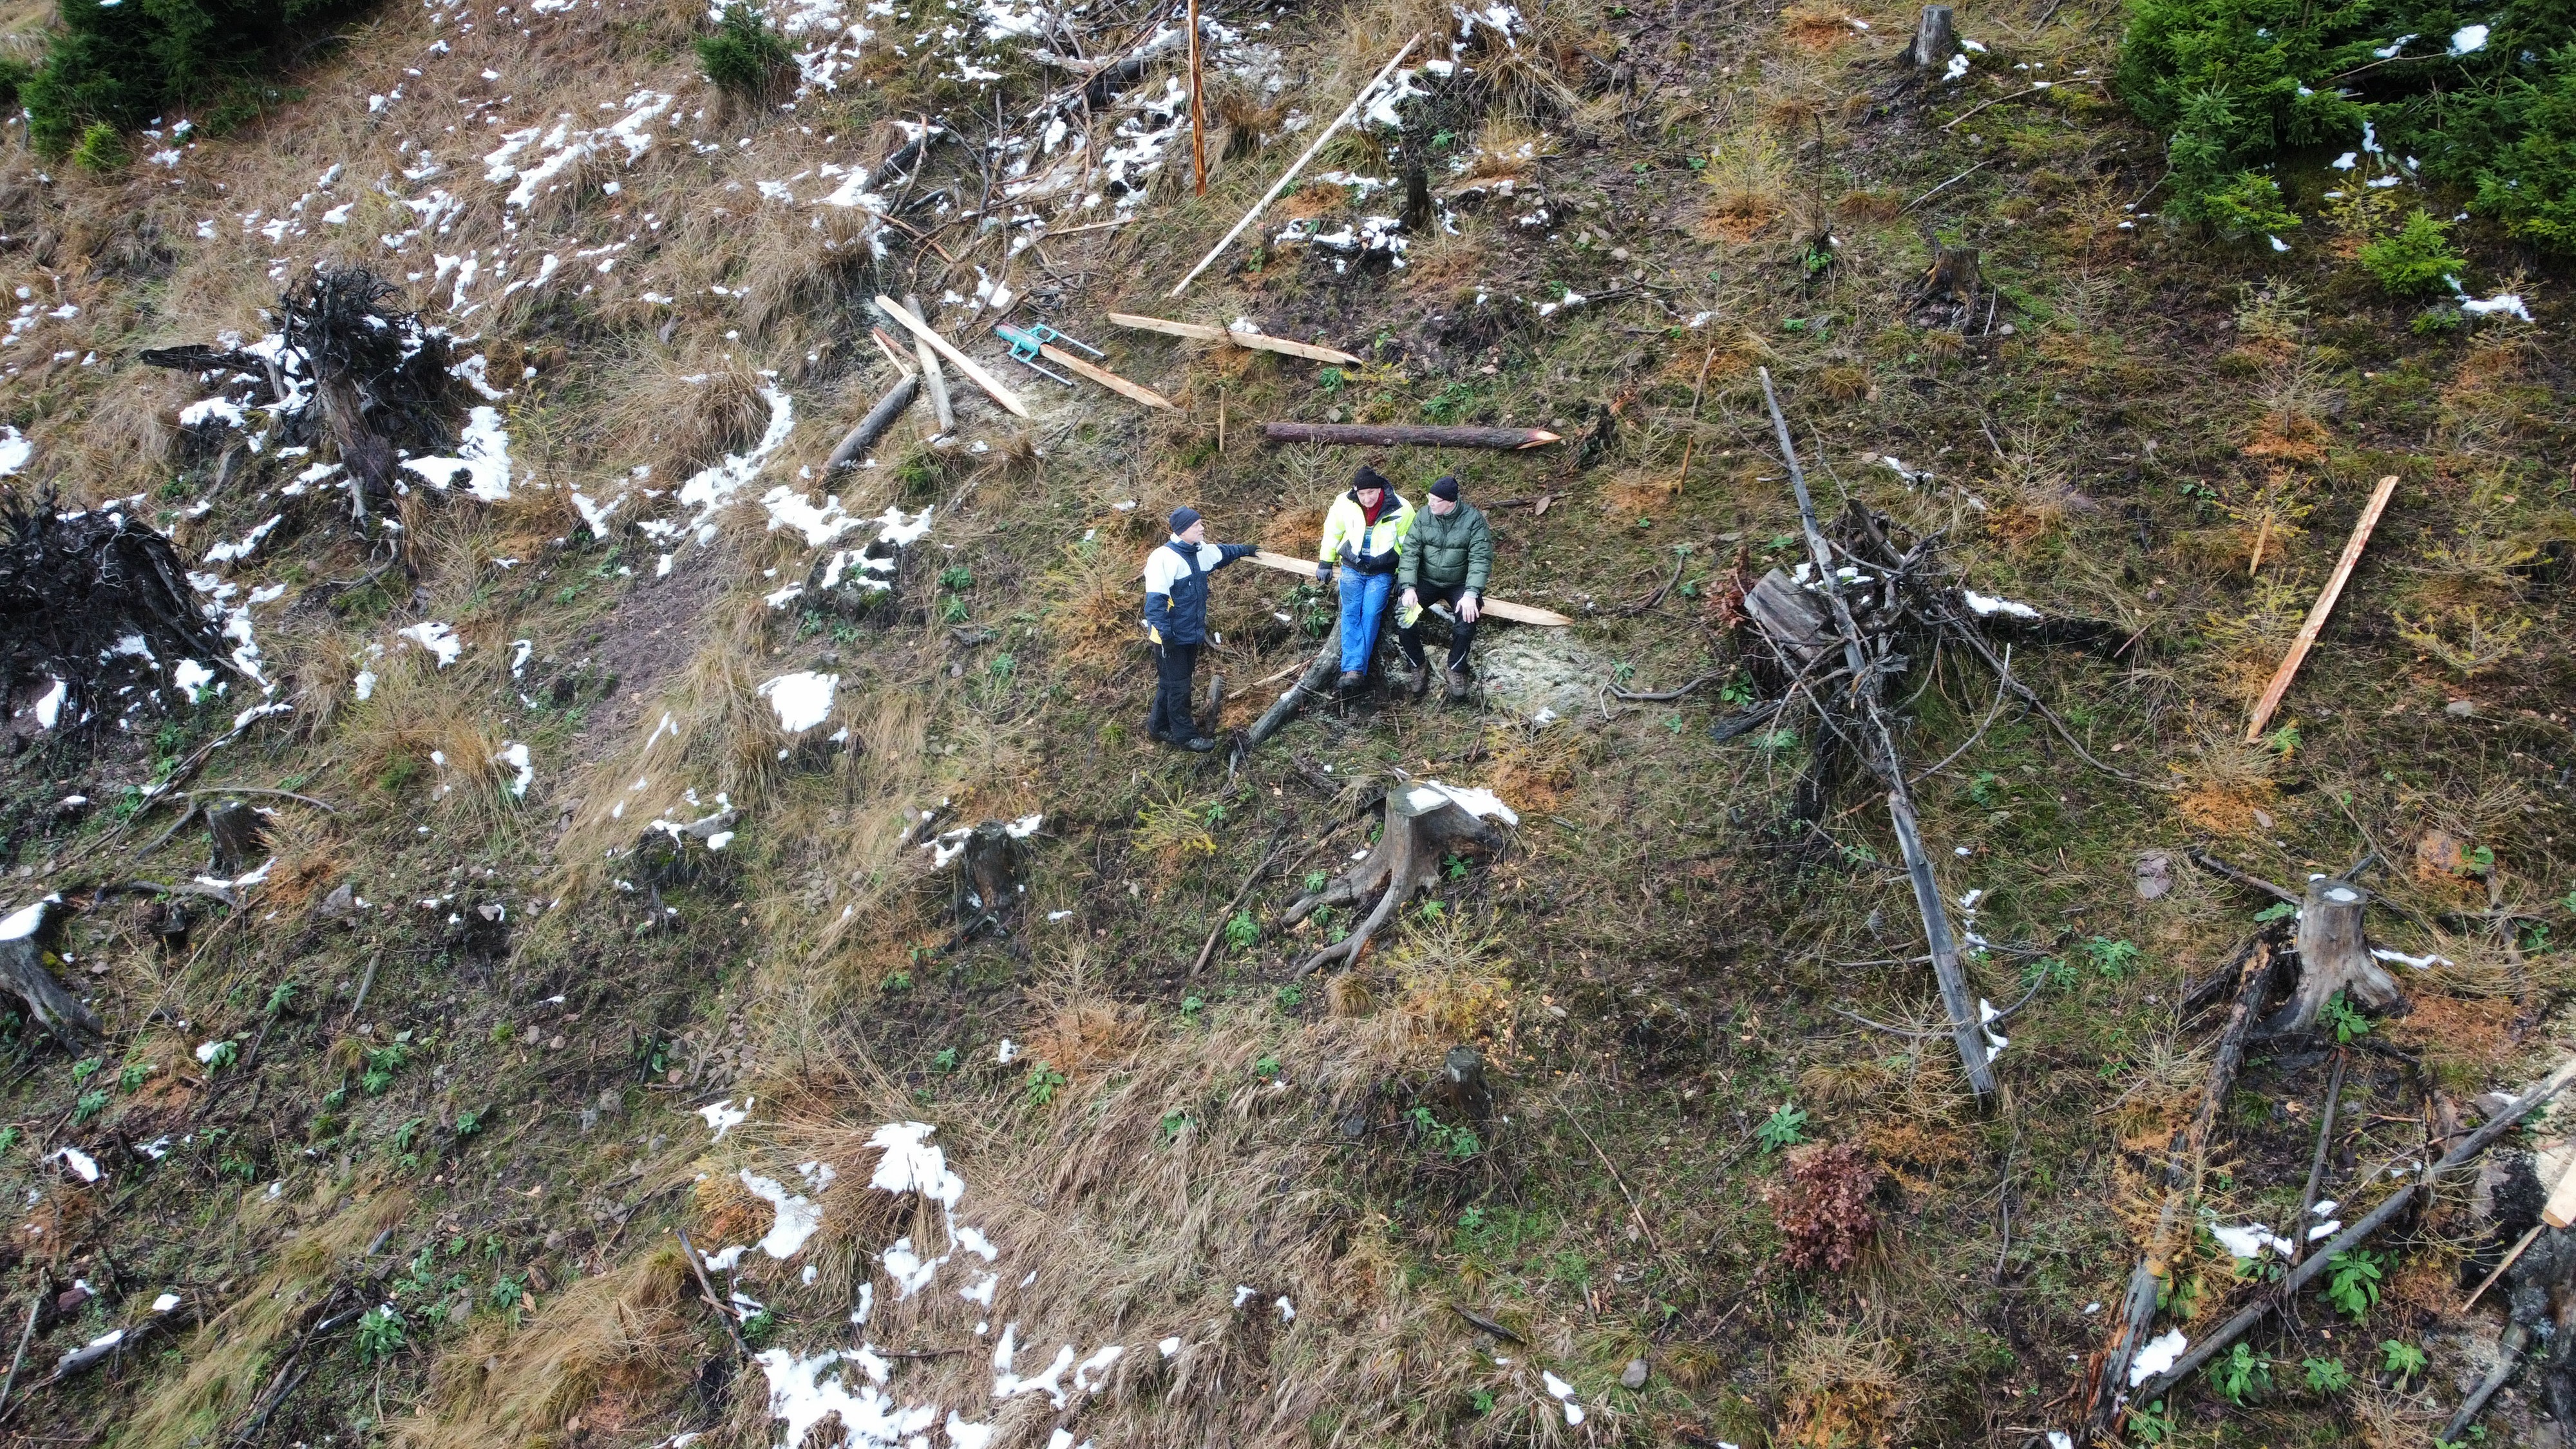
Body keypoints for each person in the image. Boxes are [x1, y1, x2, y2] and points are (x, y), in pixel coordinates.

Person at [1142, 506, 1255, 752]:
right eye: (1197, 525)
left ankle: (1157, 726)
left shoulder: (1200, 551)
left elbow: (1224, 553)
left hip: (1190, 633)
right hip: (1169, 637)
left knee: (1170, 683)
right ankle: (1185, 736)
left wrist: (1247, 550)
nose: (1202, 528)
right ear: (1182, 531)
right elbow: (1155, 604)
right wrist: (1165, 635)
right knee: (1179, 687)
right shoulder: (1163, 558)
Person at [1314, 466, 1414, 690]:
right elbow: (1333, 531)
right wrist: (1325, 562)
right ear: (1355, 492)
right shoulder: (1344, 503)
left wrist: (1404, 576)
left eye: (1372, 493)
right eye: (1362, 494)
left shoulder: (1401, 508)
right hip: (1352, 567)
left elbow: (1410, 546)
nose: (1367, 499)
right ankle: (1353, 670)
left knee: (1370, 613)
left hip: (1382, 571)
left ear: (1380, 489)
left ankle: (1358, 668)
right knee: (1351, 611)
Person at [1395, 475, 1493, 702]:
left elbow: (1481, 558)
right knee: (1403, 615)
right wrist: (1409, 586)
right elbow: (1410, 552)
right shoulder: (1423, 516)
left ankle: (1456, 668)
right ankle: (1417, 665)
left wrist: (1471, 594)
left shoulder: (1473, 520)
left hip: (1459, 583)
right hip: (1426, 580)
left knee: (1468, 618)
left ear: (1451, 502)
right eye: (1429, 499)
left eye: (1435, 501)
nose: (1430, 504)